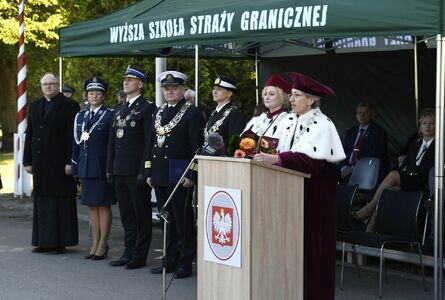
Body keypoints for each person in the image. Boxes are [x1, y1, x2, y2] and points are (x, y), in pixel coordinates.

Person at [253, 72, 345, 300]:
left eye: (296, 95)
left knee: (313, 256)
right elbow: (280, 151)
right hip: (289, 197)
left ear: (311, 100)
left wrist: (277, 159)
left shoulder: (323, 124)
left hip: (315, 201)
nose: (291, 99)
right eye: (291, 95)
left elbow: (310, 161)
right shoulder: (290, 121)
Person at [145, 70, 205, 279]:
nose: (170, 92)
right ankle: (169, 259)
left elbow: (196, 147)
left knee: (183, 219)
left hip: (180, 172)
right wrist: (148, 170)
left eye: (174, 88)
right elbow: (150, 142)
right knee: (166, 218)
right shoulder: (158, 111)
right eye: (166, 88)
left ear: (182, 89)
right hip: (160, 172)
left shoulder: (192, 112)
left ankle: (185, 262)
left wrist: (192, 175)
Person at [23, 72, 80, 254]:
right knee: (43, 204)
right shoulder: (35, 106)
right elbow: (29, 135)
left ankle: (60, 242)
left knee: (60, 204)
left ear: (58, 85)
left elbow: (73, 137)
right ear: (41, 86)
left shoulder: (70, 106)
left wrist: (70, 161)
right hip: (40, 164)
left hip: (60, 164)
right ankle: (44, 241)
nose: (48, 86)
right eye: (45, 84)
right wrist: (27, 161)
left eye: (51, 83)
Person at [352, 109, 435, 232]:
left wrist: (409, 171)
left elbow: (430, 168)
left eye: (431, 123)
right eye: (424, 123)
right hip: (409, 179)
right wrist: (406, 169)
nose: (427, 126)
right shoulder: (416, 143)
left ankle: (368, 208)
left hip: (423, 181)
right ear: (420, 126)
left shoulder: (439, 144)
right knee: (386, 192)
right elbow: (405, 164)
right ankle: (370, 228)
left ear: (436, 126)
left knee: (393, 175)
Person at [106, 65, 156, 270]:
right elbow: (112, 142)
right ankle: (128, 251)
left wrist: (145, 170)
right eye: (125, 79)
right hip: (119, 169)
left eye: (131, 80)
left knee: (140, 214)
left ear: (140, 84)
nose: (126, 82)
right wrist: (109, 167)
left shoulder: (146, 108)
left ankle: (139, 254)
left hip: (136, 170)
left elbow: (148, 142)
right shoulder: (119, 109)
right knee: (126, 214)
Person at [71, 77, 115, 260]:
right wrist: (75, 166)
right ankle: (95, 242)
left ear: (103, 96)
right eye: (91, 93)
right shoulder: (80, 116)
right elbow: (76, 143)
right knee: (91, 206)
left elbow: (112, 143)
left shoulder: (109, 115)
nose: (94, 96)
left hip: (101, 166)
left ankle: (103, 243)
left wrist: (110, 167)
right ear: (86, 95)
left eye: (98, 93)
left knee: (103, 206)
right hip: (86, 166)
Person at [338, 102, 388, 181]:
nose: (362, 116)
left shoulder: (379, 132)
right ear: (356, 115)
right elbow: (342, 152)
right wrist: (344, 168)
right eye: (359, 113)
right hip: (346, 168)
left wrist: (353, 168)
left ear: (372, 115)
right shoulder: (350, 132)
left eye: (366, 113)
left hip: (366, 169)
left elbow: (375, 155)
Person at [242, 74, 291, 138]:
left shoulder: (288, 119)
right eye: (265, 94)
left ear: (282, 97)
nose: (267, 97)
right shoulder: (258, 119)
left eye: (271, 94)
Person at [204, 75, 245, 150]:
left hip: (223, 159)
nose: (215, 92)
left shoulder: (234, 114)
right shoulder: (214, 113)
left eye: (219, 89)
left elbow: (234, 145)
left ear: (229, 93)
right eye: (214, 89)